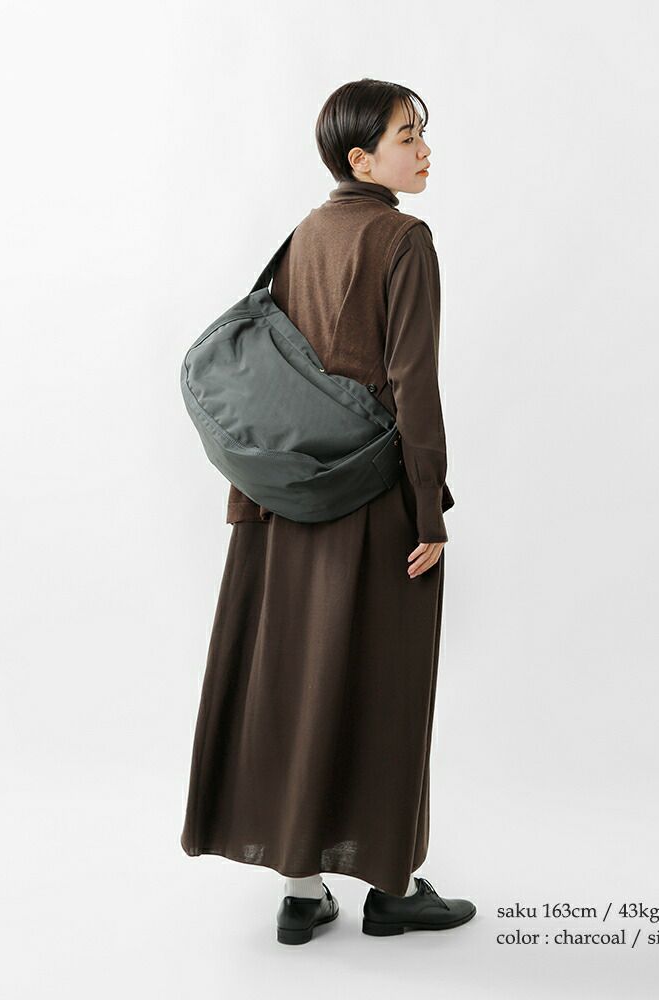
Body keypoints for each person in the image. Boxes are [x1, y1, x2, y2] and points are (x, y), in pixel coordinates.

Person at [180, 78, 476, 944]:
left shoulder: (303, 235)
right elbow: (414, 387)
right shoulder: (404, 239)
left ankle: (302, 892)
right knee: (384, 689)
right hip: (373, 504)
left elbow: (274, 369)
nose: (424, 150)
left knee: (295, 687)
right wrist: (430, 512)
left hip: (285, 505)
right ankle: (392, 888)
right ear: (362, 159)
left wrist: (257, 497)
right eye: (407, 137)